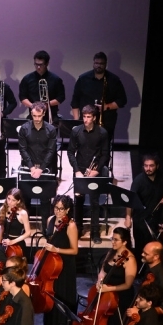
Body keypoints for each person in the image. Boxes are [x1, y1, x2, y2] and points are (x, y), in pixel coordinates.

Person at [67, 105, 110, 244]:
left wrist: (96, 171)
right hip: (80, 170)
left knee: (94, 202)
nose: (85, 119)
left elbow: (105, 154)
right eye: (84, 116)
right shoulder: (76, 131)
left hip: (94, 171)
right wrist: (77, 171)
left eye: (88, 117)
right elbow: (70, 152)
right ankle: (78, 229)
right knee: (78, 200)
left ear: (94, 118)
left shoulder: (102, 133)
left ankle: (95, 231)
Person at [95, 227, 138, 325]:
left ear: (124, 242)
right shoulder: (111, 252)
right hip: (107, 295)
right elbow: (103, 270)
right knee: (106, 323)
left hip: (121, 297)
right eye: (112, 239)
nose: (112, 242)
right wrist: (99, 281)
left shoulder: (130, 259)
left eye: (116, 240)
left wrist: (109, 288)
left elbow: (128, 285)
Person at [17, 101, 59, 228]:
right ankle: (25, 229)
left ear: (44, 113)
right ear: (31, 114)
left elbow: (51, 151)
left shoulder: (51, 129)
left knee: (45, 200)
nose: (37, 119)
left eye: (39, 116)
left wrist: (41, 168)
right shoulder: (24, 128)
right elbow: (23, 149)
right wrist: (31, 167)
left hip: (44, 169)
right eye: (34, 116)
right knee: (26, 199)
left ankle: (46, 230)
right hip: (28, 168)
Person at [70, 52, 127, 142]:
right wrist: (77, 122)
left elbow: (122, 100)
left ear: (106, 64)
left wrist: (106, 106)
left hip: (107, 120)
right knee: (85, 144)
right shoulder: (83, 79)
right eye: (96, 63)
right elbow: (75, 101)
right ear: (93, 63)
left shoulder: (114, 80)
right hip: (86, 119)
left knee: (104, 145)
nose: (99, 66)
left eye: (101, 63)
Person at [43, 195, 79, 325]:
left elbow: (74, 250)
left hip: (65, 266)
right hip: (51, 264)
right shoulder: (50, 220)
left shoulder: (71, 225)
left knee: (62, 295)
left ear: (68, 210)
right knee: (51, 293)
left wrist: (56, 249)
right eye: (56, 208)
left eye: (61, 209)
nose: (58, 211)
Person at [126, 153, 163, 253]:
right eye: (146, 166)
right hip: (141, 220)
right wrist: (128, 217)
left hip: (157, 219)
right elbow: (130, 199)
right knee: (141, 248)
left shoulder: (162, 178)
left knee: (156, 249)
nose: (148, 168)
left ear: (157, 166)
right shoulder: (138, 180)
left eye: (151, 166)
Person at [18, 50, 65, 124]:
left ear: (47, 64)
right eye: (36, 64)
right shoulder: (27, 79)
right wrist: (33, 106)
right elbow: (22, 97)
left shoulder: (56, 79)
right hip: (33, 115)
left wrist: (47, 105)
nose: (38, 67)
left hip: (51, 115)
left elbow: (61, 97)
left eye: (41, 65)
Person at [136, 241, 163, 316]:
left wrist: (140, 311)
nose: (142, 254)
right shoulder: (149, 270)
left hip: (153, 319)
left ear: (156, 257)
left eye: (146, 254)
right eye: (143, 252)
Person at [0, 189, 34, 255]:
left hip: (17, 242)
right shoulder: (2, 209)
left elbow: (28, 233)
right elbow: (2, 227)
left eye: (13, 200)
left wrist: (12, 242)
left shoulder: (23, 213)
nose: (9, 202)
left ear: (18, 201)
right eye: (8, 198)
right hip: (4, 242)